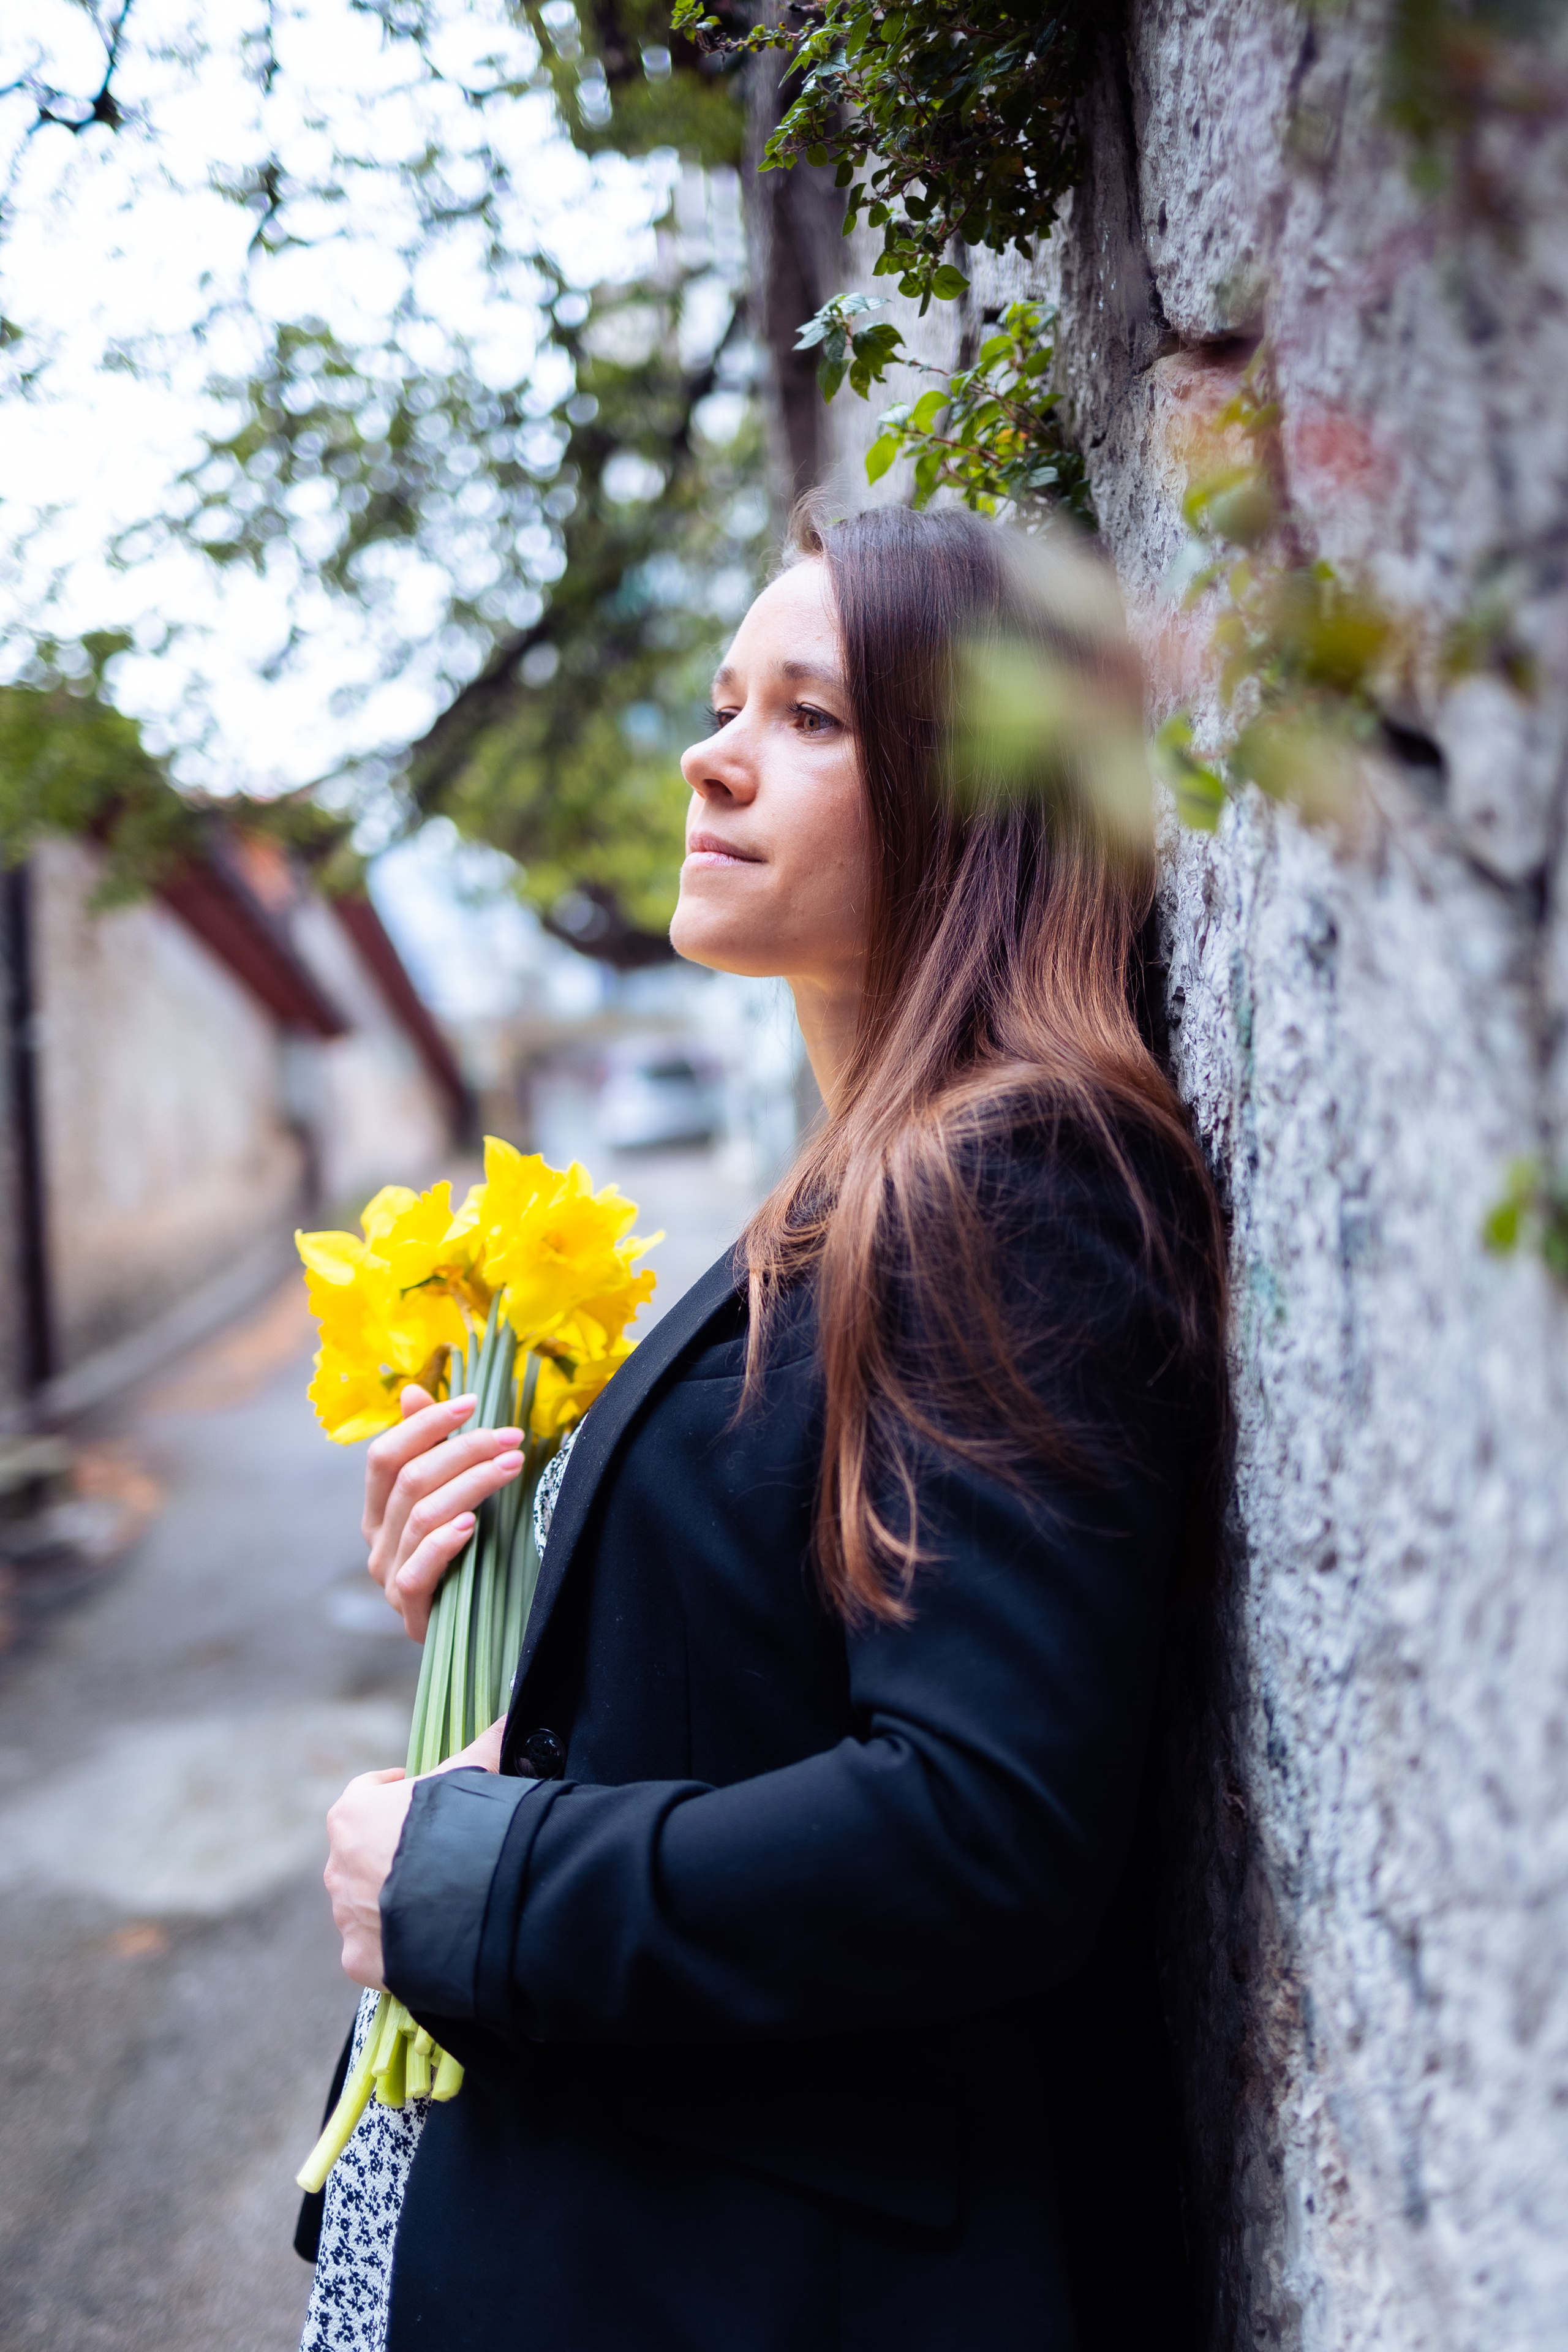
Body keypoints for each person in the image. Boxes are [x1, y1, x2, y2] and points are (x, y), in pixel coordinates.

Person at [301, 502, 1227, 2352]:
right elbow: (786, 1662)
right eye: (731, 700)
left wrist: (475, 1881)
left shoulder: (1017, 1180)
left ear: (980, 805)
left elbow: (980, 1826)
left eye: (815, 720)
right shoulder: (861, 1173)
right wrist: (518, 1599)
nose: (712, 757)